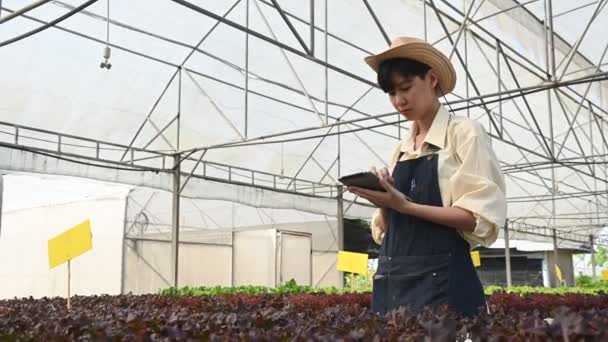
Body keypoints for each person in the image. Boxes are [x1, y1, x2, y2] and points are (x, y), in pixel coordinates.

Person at [347, 37, 507, 317]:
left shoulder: (464, 133)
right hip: (394, 284)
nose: (399, 100)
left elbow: (477, 219)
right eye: (391, 92)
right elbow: (388, 232)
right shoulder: (401, 150)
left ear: (432, 79)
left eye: (406, 87)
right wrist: (384, 200)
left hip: (444, 283)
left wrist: (406, 206)